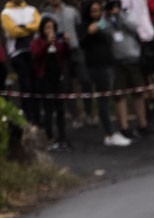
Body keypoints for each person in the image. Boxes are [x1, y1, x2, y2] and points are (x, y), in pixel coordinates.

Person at [79, 0, 130, 146]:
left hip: (108, 64)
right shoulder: (84, 26)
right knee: (103, 101)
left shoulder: (105, 24)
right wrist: (91, 30)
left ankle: (113, 131)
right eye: (93, 11)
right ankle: (109, 133)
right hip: (96, 66)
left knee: (109, 98)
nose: (96, 14)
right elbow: (83, 41)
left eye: (98, 10)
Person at [41, 0, 91, 128]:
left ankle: (89, 112)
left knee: (85, 80)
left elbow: (80, 27)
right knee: (67, 85)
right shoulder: (44, 15)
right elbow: (42, 35)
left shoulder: (71, 11)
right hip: (60, 53)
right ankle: (75, 116)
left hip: (75, 49)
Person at [104, 0, 149, 138]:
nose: (114, 9)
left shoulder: (127, 14)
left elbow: (135, 27)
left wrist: (120, 17)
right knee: (119, 95)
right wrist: (108, 18)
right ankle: (124, 126)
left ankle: (143, 124)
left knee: (138, 92)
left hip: (133, 58)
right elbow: (104, 33)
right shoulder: (106, 20)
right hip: (117, 62)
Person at [30, 15, 70, 149]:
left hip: (57, 78)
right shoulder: (37, 42)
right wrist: (47, 43)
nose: (50, 30)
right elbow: (35, 56)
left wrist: (66, 43)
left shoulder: (58, 42)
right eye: (47, 28)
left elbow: (66, 56)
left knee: (60, 109)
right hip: (44, 79)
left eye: (52, 28)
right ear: (42, 29)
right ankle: (49, 137)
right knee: (48, 110)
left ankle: (62, 137)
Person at [2, 0, 41, 124]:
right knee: (26, 86)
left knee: (36, 85)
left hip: (34, 51)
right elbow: (13, 31)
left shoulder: (32, 9)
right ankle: (28, 117)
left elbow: (37, 26)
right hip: (17, 53)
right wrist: (29, 28)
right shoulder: (5, 13)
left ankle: (38, 116)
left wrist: (23, 28)